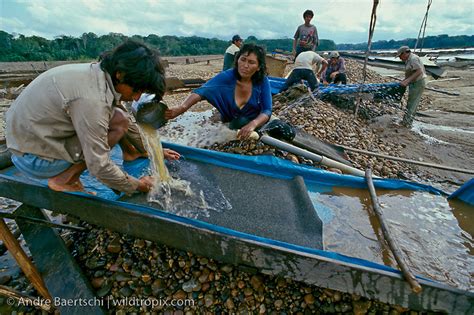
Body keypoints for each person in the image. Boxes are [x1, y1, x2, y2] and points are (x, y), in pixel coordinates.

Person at [6, 40, 180, 194]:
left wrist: (152, 150)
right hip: (32, 159)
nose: (136, 97)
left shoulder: (99, 76)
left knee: (118, 117)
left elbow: (123, 119)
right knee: (103, 136)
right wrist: (138, 185)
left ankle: (131, 153)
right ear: (120, 74)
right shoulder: (92, 100)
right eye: (136, 90)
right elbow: (99, 166)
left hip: (33, 140)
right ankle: (64, 179)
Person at [165, 43, 272, 140]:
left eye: (251, 62)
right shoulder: (227, 76)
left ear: (258, 67)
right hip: (233, 120)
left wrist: (254, 123)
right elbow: (202, 91)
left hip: (256, 119)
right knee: (240, 122)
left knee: (282, 129)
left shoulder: (262, 81)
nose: (245, 65)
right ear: (237, 60)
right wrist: (182, 108)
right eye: (243, 59)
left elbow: (267, 110)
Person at [397, 46, 427, 127]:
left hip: (418, 82)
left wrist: (407, 81)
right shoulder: (408, 60)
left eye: (400, 56)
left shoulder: (413, 59)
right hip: (414, 83)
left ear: (405, 53)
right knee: (410, 102)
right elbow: (411, 72)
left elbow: (419, 71)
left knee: (412, 103)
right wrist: (405, 80)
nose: (400, 58)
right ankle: (406, 120)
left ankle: (407, 123)